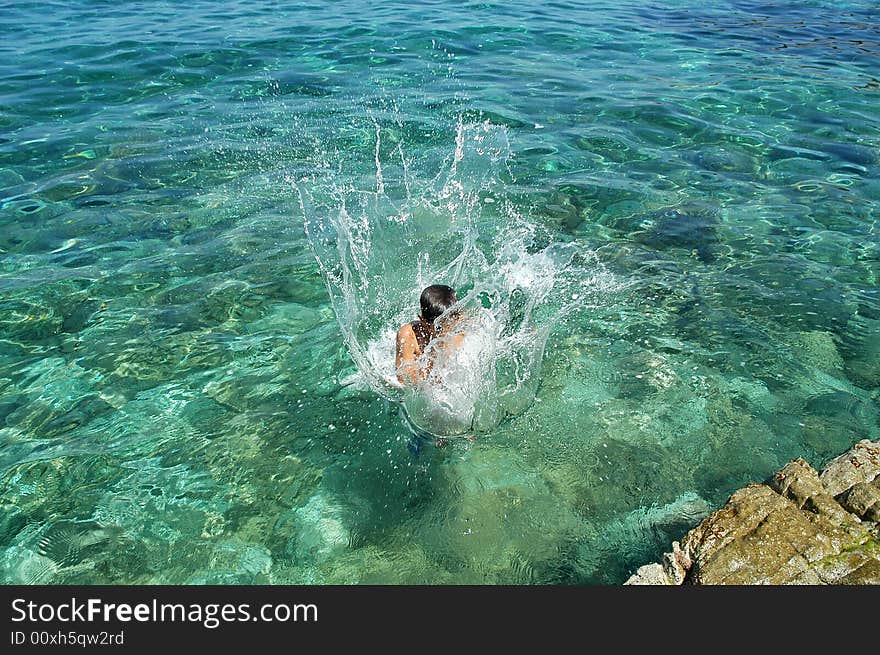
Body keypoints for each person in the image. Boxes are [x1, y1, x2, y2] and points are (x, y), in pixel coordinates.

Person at [395, 284, 464, 386]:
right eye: (439, 328)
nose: (446, 333)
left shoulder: (461, 329)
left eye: (451, 326)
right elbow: (404, 379)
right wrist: (433, 359)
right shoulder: (409, 334)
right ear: (422, 320)